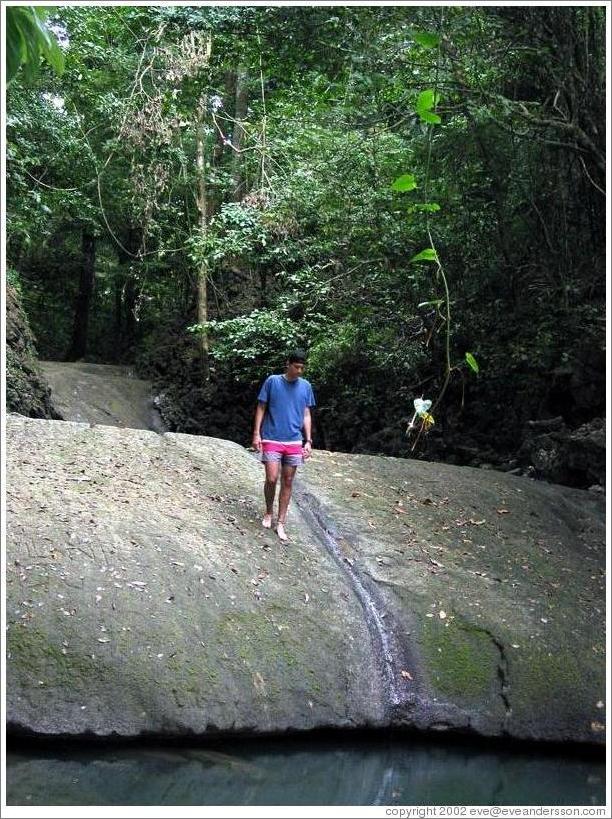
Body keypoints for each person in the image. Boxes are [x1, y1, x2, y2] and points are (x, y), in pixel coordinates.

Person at [252, 349, 315, 542]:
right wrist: (256, 433)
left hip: (294, 440)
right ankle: (269, 512)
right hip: (272, 437)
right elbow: (261, 406)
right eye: (297, 367)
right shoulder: (272, 381)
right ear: (288, 364)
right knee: (271, 478)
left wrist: (309, 440)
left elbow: (306, 414)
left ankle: (281, 522)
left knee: (288, 481)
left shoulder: (306, 387)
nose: (299, 371)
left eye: (302, 368)